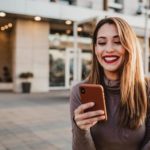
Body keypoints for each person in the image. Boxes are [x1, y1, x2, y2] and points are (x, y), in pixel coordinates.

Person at [70, 17, 150, 150]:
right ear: (95, 49)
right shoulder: (79, 91)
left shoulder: (146, 89)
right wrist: (81, 129)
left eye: (117, 42)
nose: (109, 49)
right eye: (101, 43)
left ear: (129, 46)